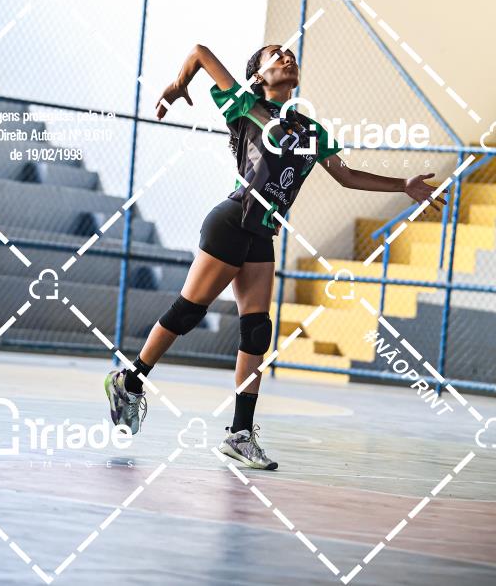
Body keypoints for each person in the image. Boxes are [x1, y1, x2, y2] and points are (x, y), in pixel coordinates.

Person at [104, 43, 446, 470]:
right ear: (259, 75)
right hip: (233, 219)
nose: (287, 58)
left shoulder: (310, 130)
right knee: (189, 311)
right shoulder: (245, 106)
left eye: (291, 55)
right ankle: (130, 380)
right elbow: (200, 53)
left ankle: (240, 434)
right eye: (276, 55)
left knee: (257, 330)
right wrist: (177, 85)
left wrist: (402, 186)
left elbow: (345, 175)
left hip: (262, 231)